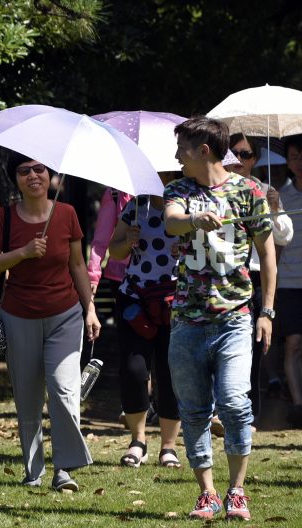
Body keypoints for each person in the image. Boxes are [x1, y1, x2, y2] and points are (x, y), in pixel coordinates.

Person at [164, 117, 275, 521]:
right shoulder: (178, 190)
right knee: (193, 410)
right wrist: (194, 220)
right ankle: (208, 495)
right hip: (187, 321)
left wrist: (267, 311)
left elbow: (267, 255)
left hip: (235, 318)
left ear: (203, 151)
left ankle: (238, 491)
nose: (177, 157)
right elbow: (171, 219)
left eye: (182, 149)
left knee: (233, 402)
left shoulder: (248, 192)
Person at [0, 151, 101, 491]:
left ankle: (64, 469)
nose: (33, 176)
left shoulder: (67, 213)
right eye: (23, 171)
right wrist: (22, 253)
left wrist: (90, 309)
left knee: (63, 391)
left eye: (39, 169)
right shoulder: (4, 218)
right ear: (15, 179)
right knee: (29, 397)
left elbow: (77, 265)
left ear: (50, 175)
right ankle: (33, 471)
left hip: (65, 314)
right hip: (19, 316)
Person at [107, 176, 181, 469]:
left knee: (169, 372)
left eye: (171, 174)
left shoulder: (190, 208)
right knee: (133, 369)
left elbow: (206, 251)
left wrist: (184, 249)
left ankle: (169, 446)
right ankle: (138, 441)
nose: (165, 179)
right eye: (160, 173)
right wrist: (128, 241)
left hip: (174, 301)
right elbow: (115, 251)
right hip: (135, 298)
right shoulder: (137, 206)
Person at [222, 136, 293, 428]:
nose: (240, 160)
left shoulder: (266, 190)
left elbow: (285, 235)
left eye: (246, 154)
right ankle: (220, 412)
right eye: (234, 153)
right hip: (224, 275)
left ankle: (248, 416)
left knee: (252, 348)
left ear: (256, 157)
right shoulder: (219, 190)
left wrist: (274, 209)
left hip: (254, 275)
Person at [279, 134, 302, 427]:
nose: (299, 162)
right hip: (288, 281)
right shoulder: (281, 195)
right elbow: (277, 242)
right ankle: (298, 406)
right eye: (294, 157)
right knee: (293, 344)